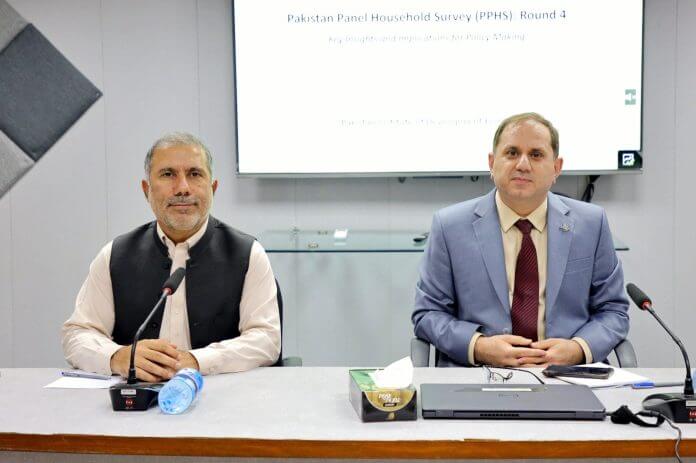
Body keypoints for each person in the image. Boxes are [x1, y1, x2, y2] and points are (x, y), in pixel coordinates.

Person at [412, 113, 629, 367]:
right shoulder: (450, 226)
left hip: (568, 374)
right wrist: (479, 346)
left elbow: (613, 311)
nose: (523, 165)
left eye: (536, 155)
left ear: (556, 168)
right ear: (492, 163)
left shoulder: (591, 224)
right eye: (512, 153)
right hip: (481, 372)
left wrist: (578, 348)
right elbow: (428, 314)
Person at [62, 132, 280, 382]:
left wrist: (197, 361)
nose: (183, 188)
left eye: (195, 174)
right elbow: (77, 334)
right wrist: (117, 357)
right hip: (137, 398)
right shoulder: (114, 255)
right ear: (146, 190)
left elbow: (267, 339)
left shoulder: (248, 254)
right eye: (168, 174)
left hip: (221, 395)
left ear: (213, 188)